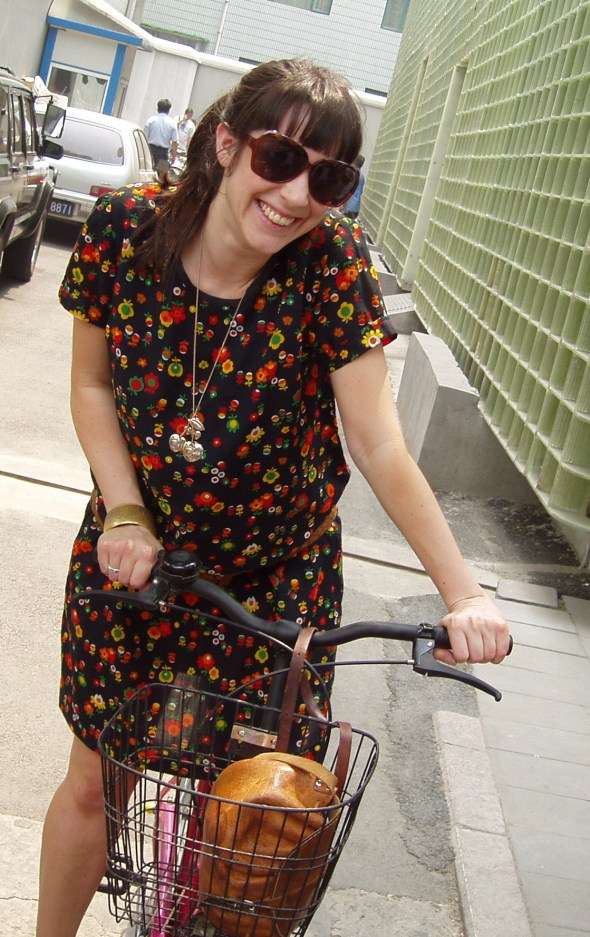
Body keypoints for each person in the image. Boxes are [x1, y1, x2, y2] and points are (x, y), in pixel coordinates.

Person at [36, 58, 510, 937]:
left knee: (254, 828)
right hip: (140, 565)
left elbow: (378, 442)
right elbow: (92, 385)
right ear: (225, 144)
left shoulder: (330, 266)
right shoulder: (125, 230)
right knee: (97, 786)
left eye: (328, 179)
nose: (296, 196)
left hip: (274, 593)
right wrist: (126, 510)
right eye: (279, 158)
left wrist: (464, 592)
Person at [144, 96, 178, 168]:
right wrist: (174, 156)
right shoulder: (172, 123)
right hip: (163, 153)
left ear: (157, 109)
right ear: (169, 110)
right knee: (162, 173)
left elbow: (144, 138)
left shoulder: (151, 120)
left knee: (148, 170)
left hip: (150, 151)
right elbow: (174, 142)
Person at [342, 154, 365, 219]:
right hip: (356, 208)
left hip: (349, 208)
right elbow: (360, 192)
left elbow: (346, 189)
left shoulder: (353, 173)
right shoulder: (362, 176)